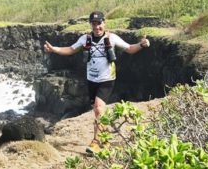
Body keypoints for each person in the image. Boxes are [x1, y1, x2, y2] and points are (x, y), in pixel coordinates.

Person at [43, 11, 150, 154]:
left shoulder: (112, 38)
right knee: (98, 111)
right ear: (91, 25)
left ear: (104, 23)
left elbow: (130, 49)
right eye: (94, 24)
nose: (97, 27)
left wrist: (142, 45)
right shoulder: (85, 39)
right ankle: (105, 140)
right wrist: (54, 49)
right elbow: (70, 50)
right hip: (91, 80)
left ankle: (95, 142)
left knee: (99, 108)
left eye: (99, 23)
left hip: (107, 80)